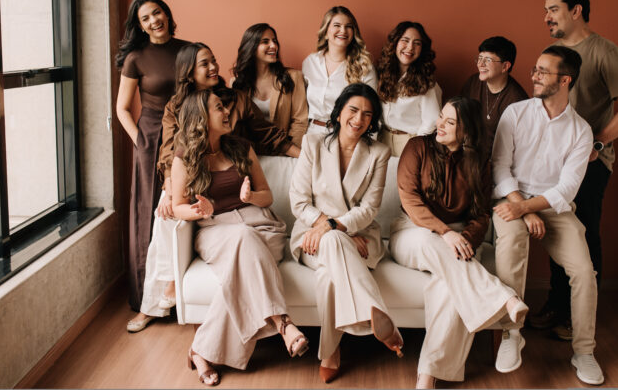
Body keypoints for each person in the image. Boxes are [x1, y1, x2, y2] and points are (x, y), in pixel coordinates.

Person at [126, 42, 296, 332]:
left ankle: (208, 345)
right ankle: (157, 299)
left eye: (214, 60)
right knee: (164, 213)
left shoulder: (235, 99)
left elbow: (266, 133)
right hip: (192, 179)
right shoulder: (176, 106)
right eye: (204, 63)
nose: (214, 67)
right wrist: (169, 186)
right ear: (188, 72)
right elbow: (169, 150)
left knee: (238, 241)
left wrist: (305, 155)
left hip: (231, 179)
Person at [170, 89, 309, 386]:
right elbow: (177, 206)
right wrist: (199, 210)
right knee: (243, 238)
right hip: (215, 229)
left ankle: (200, 350)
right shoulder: (184, 158)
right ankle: (283, 323)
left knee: (241, 268)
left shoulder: (242, 148)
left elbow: (267, 195)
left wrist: (250, 197)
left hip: (262, 226)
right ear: (201, 117)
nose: (226, 112)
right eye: (219, 108)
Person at [390, 96, 528, 389]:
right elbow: (410, 200)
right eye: (441, 116)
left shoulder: (478, 163)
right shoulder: (417, 147)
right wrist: (445, 233)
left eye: (450, 122)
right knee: (430, 242)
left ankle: (427, 376)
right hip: (412, 230)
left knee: (449, 287)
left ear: (466, 131)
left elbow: (480, 215)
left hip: (456, 238)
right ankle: (503, 298)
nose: (439, 124)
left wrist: (465, 238)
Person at [532, 0, 618, 340]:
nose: (547, 17)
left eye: (553, 9)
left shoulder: (603, 51)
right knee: (557, 232)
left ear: (576, 10)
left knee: (583, 235)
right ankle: (557, 305)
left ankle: (580, 318)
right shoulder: (552, 54)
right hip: (554, 163)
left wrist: (597, 143)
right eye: (546, 11)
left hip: (590, 164)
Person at [491, 46, 603, 385]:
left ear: (565, 80)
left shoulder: (581, 131)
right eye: (535, 69)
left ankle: (584, 351)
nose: (534, 76)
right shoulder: (515, 113)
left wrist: (529, 208)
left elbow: (566, 189)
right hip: (511, 199)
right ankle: (512, 334)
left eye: (543, 71)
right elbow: (499, 166)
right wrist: (521, 209)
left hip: (552, 207)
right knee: (511, 249)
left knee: (584, 272)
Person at [288, 83, 402, 383]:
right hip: (312, 235)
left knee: (328, 276)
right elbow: (299, 201)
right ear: (339, 113)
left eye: (367, 114)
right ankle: (374, 309)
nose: (359, 118)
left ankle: (330, 352)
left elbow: (369, 208)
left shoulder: (379, 153)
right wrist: (333, 229)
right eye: (353, 110)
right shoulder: (313, 143)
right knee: (335, 243)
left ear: (372, 121)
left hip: (360, 236)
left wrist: (335, 228)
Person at [115, 0, 188, 313]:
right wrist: (141, 142)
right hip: (152, 137)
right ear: (140, 26)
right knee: (148, 211)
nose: (153, 20)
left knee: (182, 207)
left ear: (166, 13)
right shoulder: (136, 58)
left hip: (186, 135)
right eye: (145, 18)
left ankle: (179, 296)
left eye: (156, 13)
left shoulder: (189, 50)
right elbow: (122, 108)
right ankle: (147, 299)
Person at [230, 23, 308, 147]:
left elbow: (300, 121)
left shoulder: (293, 77)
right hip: (251, 151)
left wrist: (289, 151)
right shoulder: (237, 83)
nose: (273, 46)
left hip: (285, 150)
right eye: (265, 42)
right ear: (251, 46)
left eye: (274, 41)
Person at [302, 6, 377, 134]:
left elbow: (373, 111)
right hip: (311, 134)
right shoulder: (310, 63)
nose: (343, 30)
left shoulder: (364, 67)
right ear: (326, 32)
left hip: (346, 135)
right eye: (337, 25)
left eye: (348, 26)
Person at [375, 21, 442, 157]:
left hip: (409, 143)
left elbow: (431, 122)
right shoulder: (381, 74)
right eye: (405, 40)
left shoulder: (427, 83)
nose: (410, 47)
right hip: (382, 139)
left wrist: (415, 149)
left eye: (417, 43)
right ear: (395, 43)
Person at [460, 36, 528, 158]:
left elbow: (518, 147)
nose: (481, 64)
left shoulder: (517, 100)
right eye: (480, 58)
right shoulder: (473, 82)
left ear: (505, 66)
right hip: (466, 154)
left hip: (495, 161)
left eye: (488, 60)